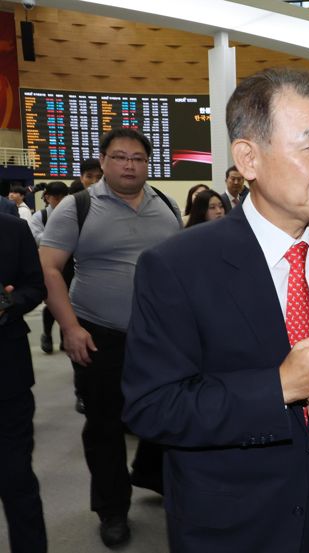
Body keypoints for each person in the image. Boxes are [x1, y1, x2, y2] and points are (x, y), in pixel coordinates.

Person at [122, 67, 309, 553]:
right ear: (248, 158)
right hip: (227, 523)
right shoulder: (177, 266)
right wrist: (278, 387)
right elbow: (152, 407)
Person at [38, 128, 182, 548]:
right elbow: (49, 270)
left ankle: (151, 474)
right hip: (98, 334)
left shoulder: (166, 205)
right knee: (104, 425)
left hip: (159, 337)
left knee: (166, 412)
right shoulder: (77, 206)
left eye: (138, 158)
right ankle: (112, 508)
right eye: (120, 157)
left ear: (147, 163)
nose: (129, 165)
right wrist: (69, 327)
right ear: (103, 161)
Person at [0, 213, 48, 553]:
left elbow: (35, 286)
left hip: (7, 377)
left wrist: (7, 303)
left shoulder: (12, 229)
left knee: (16, 479)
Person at [29, 181, 70, 354]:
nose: (60, 201)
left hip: (69, 264)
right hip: (47, 264)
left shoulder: (71, 214)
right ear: (47, 197)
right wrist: (58, 237)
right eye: (56, 197)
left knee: (68, 301)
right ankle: (47, 334)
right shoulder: (40, 216)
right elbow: (36, 237)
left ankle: (64, 337)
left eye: (64, 197)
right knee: (52, 300)